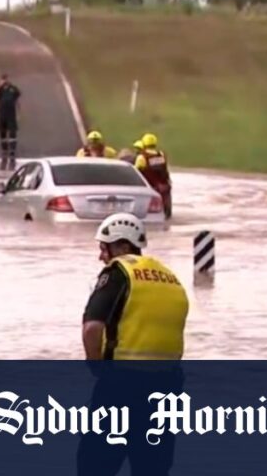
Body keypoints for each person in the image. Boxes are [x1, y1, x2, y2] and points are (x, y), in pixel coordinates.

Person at [77, 213, 189, 476]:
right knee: (152, 468)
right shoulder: (170, 277)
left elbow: (92, 327)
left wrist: (96, 366)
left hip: (121, 386)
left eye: (104, 248)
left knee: (95, 464)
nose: (101, 256)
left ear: (123, 246)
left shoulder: (119, 273)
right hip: (167, 388)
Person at [135, 133, 172, 217]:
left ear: (144, 143)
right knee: (166, 212)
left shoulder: (142, 157)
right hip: (164, 187)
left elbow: (136, 173)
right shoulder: (161, 155)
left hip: (150, 187)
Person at [0, 73, 21, 157]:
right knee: (2, 132)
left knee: (12, 132)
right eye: (3, 79)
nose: (5, 81)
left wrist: (19, 113)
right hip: (2, 113)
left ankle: (12, 150)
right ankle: (4, 149)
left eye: (6, 79)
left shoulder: (13, 88)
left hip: (11, 114)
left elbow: (17, 101)